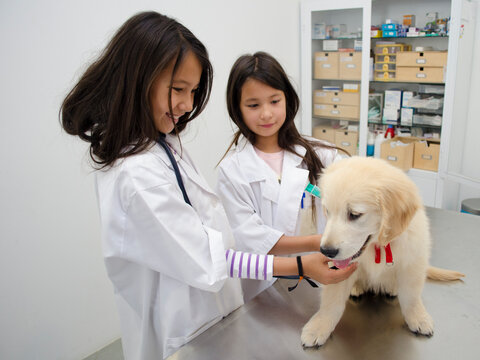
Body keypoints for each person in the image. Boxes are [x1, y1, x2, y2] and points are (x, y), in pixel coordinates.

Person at [60, 12, 356, 360]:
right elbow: (215, 257)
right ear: (138, 79)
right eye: (178, 90)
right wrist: (302, 263)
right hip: (184, 328)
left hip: (222, 310)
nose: (187, 105)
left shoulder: (160, 144)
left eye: (193, 91)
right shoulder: (137, 177)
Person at [217, 52, 350, 302]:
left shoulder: (321, 154)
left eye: (274, 101)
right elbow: (250, 239)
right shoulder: (232, 171)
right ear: (238, 109)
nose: (266, 114)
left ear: (287, 99)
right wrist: (320, 242)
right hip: (263, 291)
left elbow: (356, 187)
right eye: (254, 105)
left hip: (323, 281)